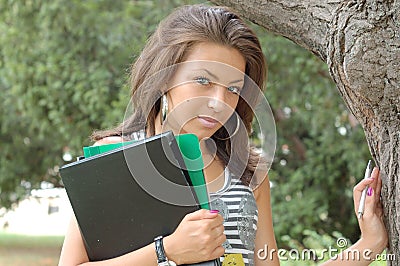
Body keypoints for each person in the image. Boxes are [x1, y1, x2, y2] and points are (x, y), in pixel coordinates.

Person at [58, 4, 387, 266]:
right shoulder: (115, 157)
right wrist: (168, 251)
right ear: (163, 79)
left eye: (233, 89)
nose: (219, 103)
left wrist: (370, 243)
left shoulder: (249, 171)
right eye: (203, 80)